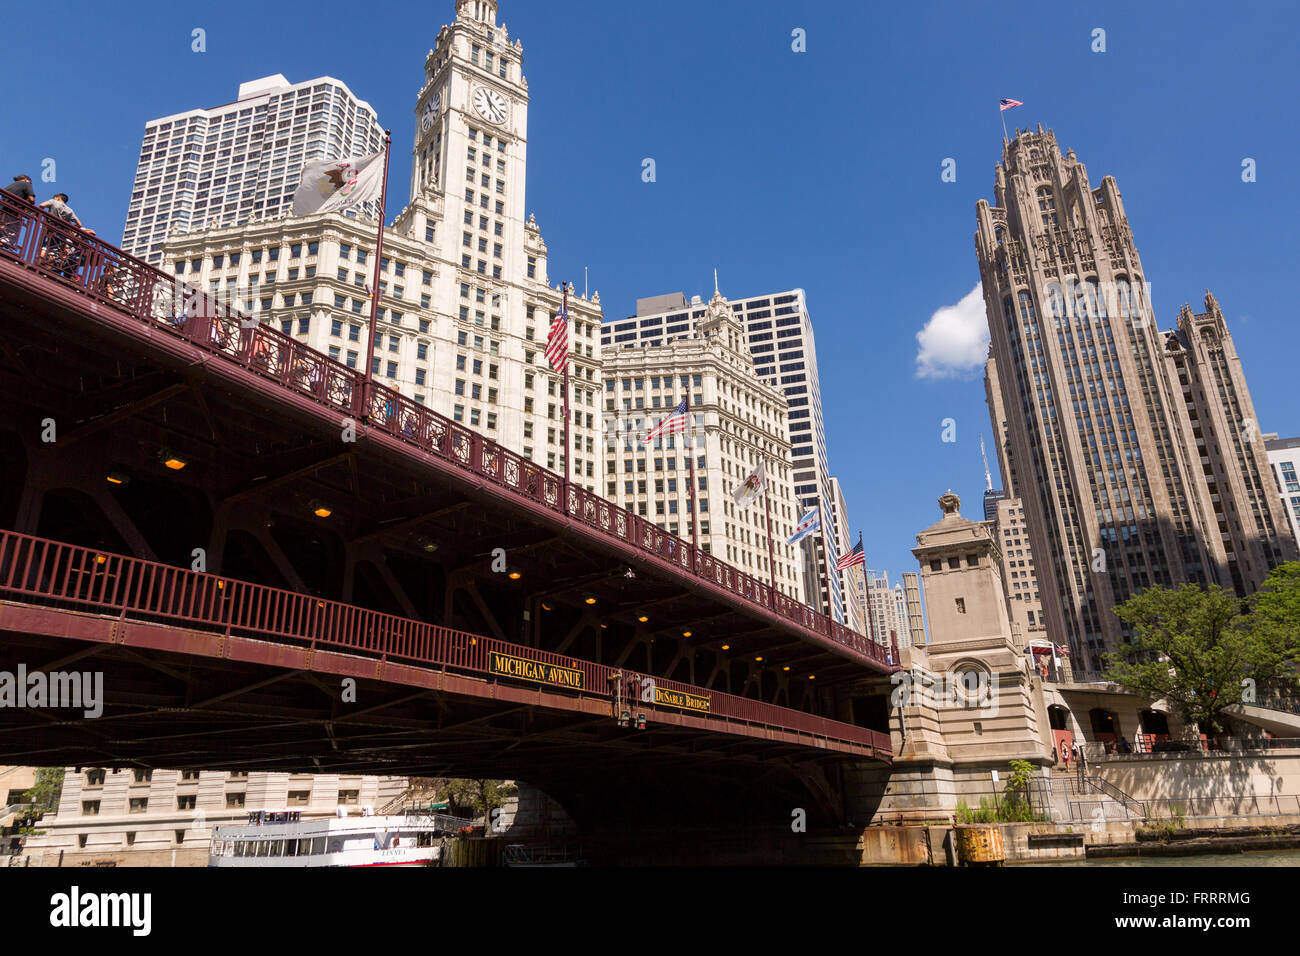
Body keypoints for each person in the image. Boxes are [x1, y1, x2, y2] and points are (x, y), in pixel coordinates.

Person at [0, 175, 35, 249]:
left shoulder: (10, 186)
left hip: (3, 208)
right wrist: (31, 206)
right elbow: (31, 199)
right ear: (26, 179)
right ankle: (4, 243)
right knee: (11, 231)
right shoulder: (26, 184)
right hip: (11, 211)